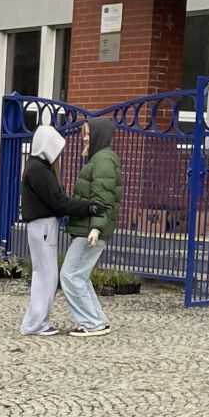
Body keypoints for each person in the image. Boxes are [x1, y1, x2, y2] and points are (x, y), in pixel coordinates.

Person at [60, 118, 120, 333]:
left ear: (98, 135)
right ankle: (97, 320)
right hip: (89, 228)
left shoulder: (102, 161)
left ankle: (92, 323)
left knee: (70, 275)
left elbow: (103, 198)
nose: (84, 138)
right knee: (80, 276)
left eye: (88, 133)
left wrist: (96, 228)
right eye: (83, 133)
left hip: (90, 229)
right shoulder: (100, 159)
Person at [18, 121, 78, 336]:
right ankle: (35, 323)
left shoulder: (35, 166)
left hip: (40, 225)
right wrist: (84, 207)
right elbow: (58, 201)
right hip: (43, 225)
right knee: (46, 275)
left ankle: (36, 321)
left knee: (44, 273)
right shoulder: (39, 169)